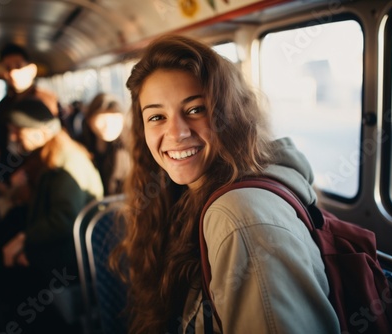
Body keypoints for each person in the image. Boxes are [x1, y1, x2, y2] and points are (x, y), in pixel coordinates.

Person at [110, 35, 340, 333]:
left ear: (228, 115)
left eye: (195, 110)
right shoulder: (187, 195)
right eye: (156, 116)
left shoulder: (238, 217)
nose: (176, 132)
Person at [0, 98, 103, 332]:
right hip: (61, 249)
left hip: (69, 259)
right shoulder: (51, 154)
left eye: (17, 132)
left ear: (39, 132)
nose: (12, 139)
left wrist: (25, 242)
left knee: (13, 281)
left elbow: (64, 219)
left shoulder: (64, 164)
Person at [0, 42, 62, 184]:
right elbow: (1, 140)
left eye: (18, 66)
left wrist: (28, 171)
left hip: (42, 169)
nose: (12, 73)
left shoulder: (48, 100)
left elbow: (55, 138)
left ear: (31, 69)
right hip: (11, 170)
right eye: (8, 68)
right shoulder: (3, 106)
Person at [82, 93, 130, 195]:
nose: (108, 125)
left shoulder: (133, 148)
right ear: (89, 120)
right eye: (102, 119)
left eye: (115, 119)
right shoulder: (80, 148)